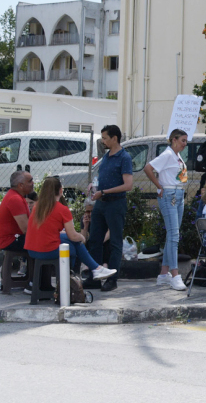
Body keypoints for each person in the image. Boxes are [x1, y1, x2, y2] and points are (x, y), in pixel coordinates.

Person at [24, 178, 117, 288]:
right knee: (75, 245)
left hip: (32, 250)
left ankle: (94, 269)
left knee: (69, 241)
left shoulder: (37, 207)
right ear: (61, 190)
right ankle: (80, 274)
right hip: (47, 250)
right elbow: (72, 235)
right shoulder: (62, 209)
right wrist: (82, 237)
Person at [88, 125, 133, 292]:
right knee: (95, 240)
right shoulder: (107, 156)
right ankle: (94, 276)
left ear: (115, 138)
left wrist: (104, 191)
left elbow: (128, 185)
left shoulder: (124, 157)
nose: (103, 141)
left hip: (115, 203)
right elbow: (103, 176)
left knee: (115, 241)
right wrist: (94, 185)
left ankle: (112, 279)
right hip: (101, 203)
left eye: (105, 138)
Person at [143, 129, 189, 291]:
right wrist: (159, 186)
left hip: (177, 193)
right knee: (174, 235)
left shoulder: (176, 155)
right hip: (170, 194)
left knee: (172, 234)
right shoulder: (168, 154)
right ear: (174, 140)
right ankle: (175, 275)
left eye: (186, 141)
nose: (185, 144)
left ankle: (164, 273)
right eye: (183, 140)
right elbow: (148, 168)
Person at [0, 171, 35, 277]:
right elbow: (26, 229)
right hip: (11, 240)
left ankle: (36, 279)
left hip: (14, 238)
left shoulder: (16, 196)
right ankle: (36, 280)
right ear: (20, 185)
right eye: (30, 181)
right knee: (45, 244)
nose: (33, 183)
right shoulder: (15, 199)